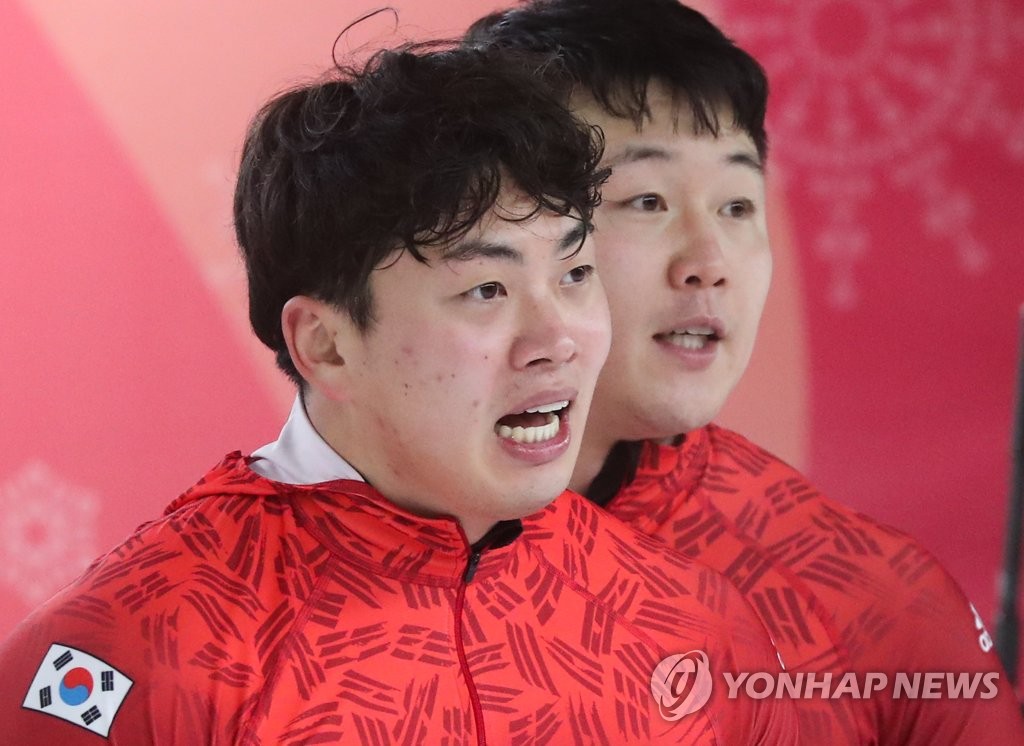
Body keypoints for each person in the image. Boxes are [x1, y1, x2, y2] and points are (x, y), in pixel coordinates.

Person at [0, 40, 797, 744]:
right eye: (487, 289)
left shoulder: (692, 625)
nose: (558, 339)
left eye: (576, 272)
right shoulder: (132, 653)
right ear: (326, 344)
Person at [466, 1, 1024, 742]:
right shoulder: (324, 558)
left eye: (737, 205)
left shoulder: (871, 603)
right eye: (647, 201)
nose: (709, 263)